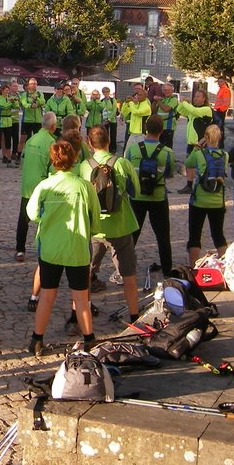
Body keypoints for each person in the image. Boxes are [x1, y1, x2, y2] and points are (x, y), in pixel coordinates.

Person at [26, 140, 101, 356]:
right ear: (75, 159)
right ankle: (89, 339)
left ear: (53, 160)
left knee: (47, 295)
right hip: (76, 248)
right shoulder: (84, 186)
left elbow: (32, 214)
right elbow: (95, 220)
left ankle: (37, 340)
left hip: (50, 248)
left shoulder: (45, 185)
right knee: (81, 297)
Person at [81, 126, 141, 321]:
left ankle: (83, 312)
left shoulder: (84, 166)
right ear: (109, 141)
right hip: (121, 225)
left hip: (95, 228)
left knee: (87, 271)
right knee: (128, 274)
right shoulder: (122, 163)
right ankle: (134, 315)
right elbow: (136, 192)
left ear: (90, 144)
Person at [126, 116, 176, 277]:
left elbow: (127, 170)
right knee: (163, 236)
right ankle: (168, 271)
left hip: (137, 196)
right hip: (158, 197)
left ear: (146, 129)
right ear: (161, 131)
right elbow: (170, 173)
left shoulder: (133, 149)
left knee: (132, 235)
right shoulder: (167, 152)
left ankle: (124, 269)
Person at [16, 112, 57, 269]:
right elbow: (53, 167)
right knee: (45, 219)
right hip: (42, 186)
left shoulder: (31, 139)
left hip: (27, 185)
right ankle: (46, 249)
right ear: (53, 126)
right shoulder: (51, 142)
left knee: (23, 218)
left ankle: (20, 249)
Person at [185, 125, 228, 266]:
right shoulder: (225, 155)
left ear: (206, 138)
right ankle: (226, 266)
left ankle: (193, 267)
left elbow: (188, 163)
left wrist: (197, 146)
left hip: (199, 201)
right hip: (217, 201)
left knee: (195, 235)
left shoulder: (199, 154)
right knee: (218, 235)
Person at [18, 78, 45, 155]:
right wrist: (31, 105)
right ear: (29, 85)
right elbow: (24, 104)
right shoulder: (24, 95)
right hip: (27, 120)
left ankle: (35, 154)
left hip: (37, 121)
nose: (33, 85)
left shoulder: (40, 94)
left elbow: (43, 102)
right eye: (32, 84)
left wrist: (36, 98)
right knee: (24, 139)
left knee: (38, 139)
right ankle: (19, 155)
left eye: (35, 84)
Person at [155, 83, 179, 149]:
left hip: (168, 127)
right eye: (165, 90)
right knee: (159, 146)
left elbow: (166, 109)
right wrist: (155, 101)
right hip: (160, 126)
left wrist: (158, 101)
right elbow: (153, 109)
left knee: (167, 147)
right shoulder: (163, 99)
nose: (167, 91)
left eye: (168, 90)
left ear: (172, 91)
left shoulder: (173, 99)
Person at [214, 77, 232, 144]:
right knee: (219, 126)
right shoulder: (221, 89)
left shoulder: (225, 90)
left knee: (220, 127)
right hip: (218, 110)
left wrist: (221, 109)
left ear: (224, 82)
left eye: (221, 81)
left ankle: (220, 143)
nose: (219, 83)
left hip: (220, 111)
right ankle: (219, 142)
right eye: (218, 82)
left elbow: (226, 102)